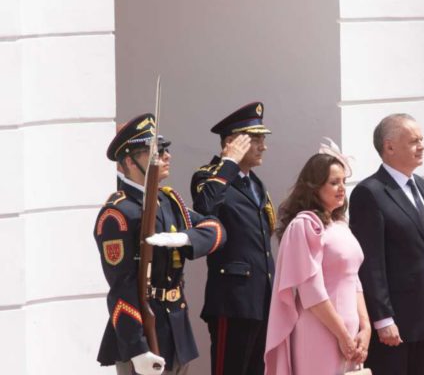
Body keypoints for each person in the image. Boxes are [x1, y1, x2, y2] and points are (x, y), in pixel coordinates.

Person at [94, 113, 226, 375]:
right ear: (128, 162)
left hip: (177, 330)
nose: (165, 157)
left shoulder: (169, 202)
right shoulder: (118, 215)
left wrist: (186, 239)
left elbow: (216, 229)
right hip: (143, 333)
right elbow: (122, 287)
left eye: (164, 150)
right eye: (153, 152)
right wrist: (137, 349)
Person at [264, 141, 371, 375]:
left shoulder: (341, 225)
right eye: (334, 183)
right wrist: (342, 334)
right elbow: (311, 290)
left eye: (343, 181)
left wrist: (365, 328)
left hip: (351, 333)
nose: (341, 188)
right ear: (314, 187)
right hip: (320, 330)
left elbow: (354, 279)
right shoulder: (304, 225)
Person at [349, 113, 424, 375]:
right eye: (414, 141)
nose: (421, 146)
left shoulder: (421, 186)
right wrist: (383, 318)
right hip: (394, 322)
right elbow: (371, 262)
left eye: (421, 139)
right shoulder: (370, 192)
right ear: (389, 147)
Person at [190, 101, 277, 375]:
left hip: (261, 298)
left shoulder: (254, 182)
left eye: (263, 139)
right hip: (233, 298)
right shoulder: (210, 176)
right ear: (232, 142)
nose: (263, 146)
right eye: (255, 139)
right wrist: (227, 162)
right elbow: (206, 207)